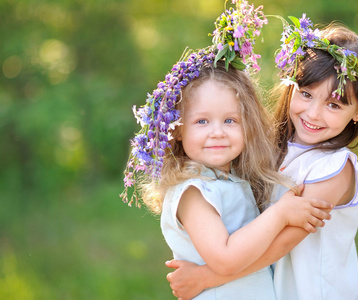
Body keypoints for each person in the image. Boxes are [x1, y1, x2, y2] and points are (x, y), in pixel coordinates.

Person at [165, 14, 358, 300]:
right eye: (306, 94)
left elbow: (282, 244)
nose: (314, 113)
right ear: (290, 85)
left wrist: (206, 277)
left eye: (333, 104)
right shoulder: (271, 150)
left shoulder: (334, 169)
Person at [121, 5, 333, 299]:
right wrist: (281, 214)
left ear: (249, 126)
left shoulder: (229, 181)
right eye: (202, 121)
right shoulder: (193, 192)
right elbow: (225, 258)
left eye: (230, 120)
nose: (217, 132)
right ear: (178, 130)